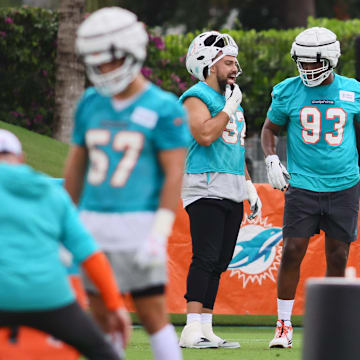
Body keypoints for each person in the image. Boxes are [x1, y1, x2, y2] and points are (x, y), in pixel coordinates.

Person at [63, 7, 190, 360]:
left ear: (132, 52)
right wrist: (63, 223)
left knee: (152, 314)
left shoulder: (164, 107)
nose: (103, 70)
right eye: (97, 62)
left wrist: (159, 230)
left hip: (139, 224)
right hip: (92, 223)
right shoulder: (90, 102)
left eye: (110, 61)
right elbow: (75, 169)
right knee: (100, 316)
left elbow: (173, 174)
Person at [261, 26, 360, 349]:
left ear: (330, 60)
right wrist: (272, 158)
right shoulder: (287, 91)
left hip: (344, 184)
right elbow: (269, 129)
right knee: (292, 251)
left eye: (313, 63)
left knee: (338, 253)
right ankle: (283, 325)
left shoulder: (353, 91)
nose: (307, 70)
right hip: (303, 185)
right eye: (301, 63)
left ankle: (332, 323)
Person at [0, 129, 131, 360]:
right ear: (21, 158)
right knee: (103, 353)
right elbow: (90, 254)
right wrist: (115, 305)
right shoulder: (50, 193)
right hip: (49, 295)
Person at [178, 31, 262, 349]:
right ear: (210, 65)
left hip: (230, 186)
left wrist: (249, 183)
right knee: (206, 256)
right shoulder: (196, 97)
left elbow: (234, 148)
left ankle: (207, 327)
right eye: (228, 62)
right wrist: (228, 108)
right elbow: (204, 135)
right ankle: (190, 327)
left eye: (235, 62)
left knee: (221, 260)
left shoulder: (231, 98)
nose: (235, 68)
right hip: (204, 184)